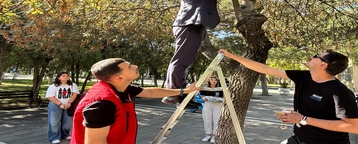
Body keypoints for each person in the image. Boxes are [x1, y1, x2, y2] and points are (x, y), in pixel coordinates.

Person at [218, 49, 358, 144]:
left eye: (316, 56)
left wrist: (303, 119)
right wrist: (232, 56)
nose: (312, 56)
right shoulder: (304, 77)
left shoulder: (339, 91)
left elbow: (356, 127)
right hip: (299, 139)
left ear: (323, 65)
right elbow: (265, 68)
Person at [163, 0, 250, 105]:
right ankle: (174, 94)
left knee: (185, 61)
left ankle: (180, 94)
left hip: (190, 25)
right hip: (189, 25)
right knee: (181, 61)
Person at [70, 58, 201, 144]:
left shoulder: (121, 88)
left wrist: (184, 91)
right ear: (119, 78)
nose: (135, 66)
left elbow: (150, 92)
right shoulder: (103, 103)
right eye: (129, 67)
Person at [45, 72, 79, 144]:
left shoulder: (73, 85)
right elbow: (50, 97)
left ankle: (65, 134)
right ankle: (54, 137)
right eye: (63, 76)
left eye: (67, 75)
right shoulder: (54, 86)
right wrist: (60, 104)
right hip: (55, 105)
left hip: (68, 105)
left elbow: (74, 94)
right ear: (59, 78)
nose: (66, 77)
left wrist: (69, 102)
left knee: (68, 122)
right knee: (54, 122)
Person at [200, 76, 224, 143]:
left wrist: (220, 100)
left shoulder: (220, 89)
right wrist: (205, 98)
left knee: (216, 119)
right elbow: (203, 96)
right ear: (209, 81)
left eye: (215, 80)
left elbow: (222, 97)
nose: (213, 81)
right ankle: (208, 135)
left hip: (217, 105)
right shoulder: (205, 88)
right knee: (207, 119)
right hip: (208, 104)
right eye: (212, 80)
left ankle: (214, 135)